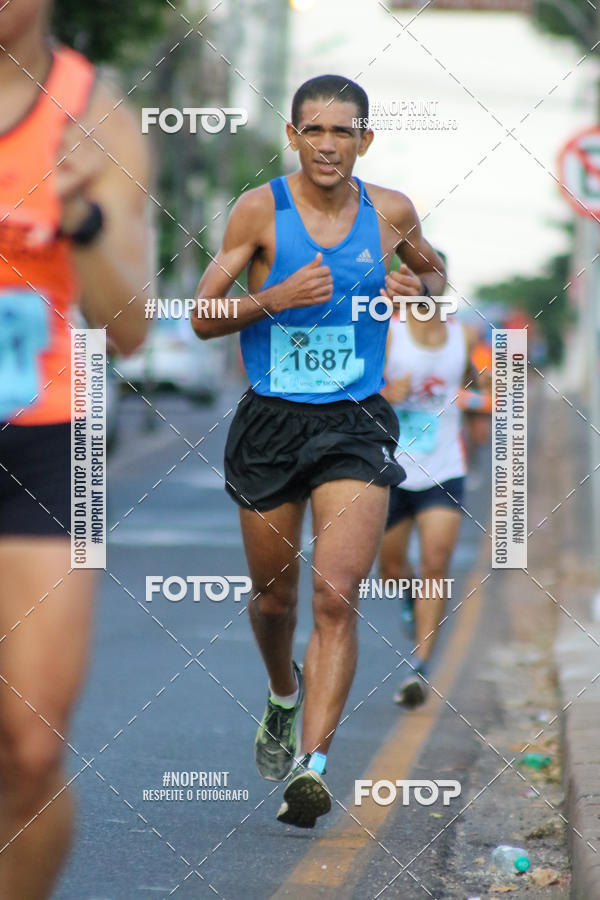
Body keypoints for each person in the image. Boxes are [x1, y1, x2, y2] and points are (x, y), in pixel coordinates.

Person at [192, 74, 446, 828]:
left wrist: (420, 286)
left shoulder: (390, 211)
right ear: (294, 136)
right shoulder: (258, 211)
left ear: (365, 140)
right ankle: (282, 692)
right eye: (314, 130)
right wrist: (273, 298)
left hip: (355, 423)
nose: (328, 145)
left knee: (337, 596)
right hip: (272, 422)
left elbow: (433, 273)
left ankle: (313, 765)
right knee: (276, 600)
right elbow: (202, 314)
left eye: (344, 132)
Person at [0, 2, 151, 895]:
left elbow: (129, 326)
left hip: (50, 444)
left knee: (29, 747)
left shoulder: (97, 114)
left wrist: (87, 222)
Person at [379, 296, 478, 708]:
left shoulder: (465, 336)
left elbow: (486, 382)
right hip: (390, 469)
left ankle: (420, 665)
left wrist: (487, 398)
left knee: (436, 563)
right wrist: (386, 393)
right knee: (390, 569)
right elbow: (353, 390)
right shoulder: (389, 334)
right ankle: (407, 596)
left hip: (445, 468)